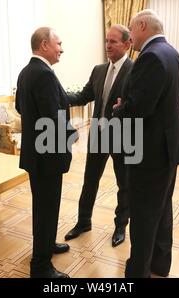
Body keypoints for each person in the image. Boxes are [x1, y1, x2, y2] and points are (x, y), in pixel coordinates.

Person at [113, 10, 179, 278]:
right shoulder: (173, 54)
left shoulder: (150, 57)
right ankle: (160, 264)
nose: (130, 36)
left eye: (131, 30)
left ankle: (138, 272)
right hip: (168, 148)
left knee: (144, 216)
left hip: (150, 153)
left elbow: (139, 108)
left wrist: (120, 108)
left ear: (142, 26)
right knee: (162, 210)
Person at [16, 27, 78, 278]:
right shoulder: (44, 75)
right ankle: (41, 267)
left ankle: (47, 244)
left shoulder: (26, 72)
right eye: (58, 44)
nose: (61, 48)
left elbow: (21, 106)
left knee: (43, 207)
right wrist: (72, 136)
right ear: (44, 45)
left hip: (35, 154)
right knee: (46, 209)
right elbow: (54, 119)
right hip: (48, 156)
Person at [64, 25, 133, 247]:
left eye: (113, 41)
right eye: (106, 41)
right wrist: (57, 94)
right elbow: (84, 96)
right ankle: (84, 222)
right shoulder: (98, 70)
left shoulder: (136, 70)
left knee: (124, 184)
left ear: (127, 44)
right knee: (89, 180)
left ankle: (121, 226)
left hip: (124, 138)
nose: (108, 46)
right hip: (98, 135)